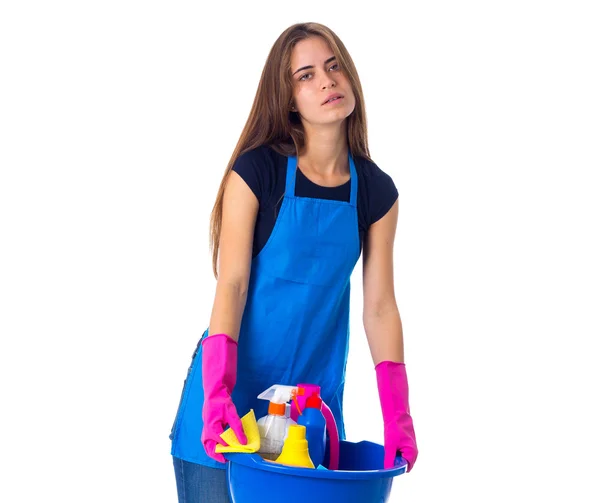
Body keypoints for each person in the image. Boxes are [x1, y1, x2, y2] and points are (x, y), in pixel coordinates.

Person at [168, 21, 418, 503]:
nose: (326, 81)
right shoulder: (256, 172)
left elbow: (380, 308)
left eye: (333, 66)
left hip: (307, 412)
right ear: (288, 100)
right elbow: (233, 285)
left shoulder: (377, 193)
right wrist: (217, 391)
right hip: (229, 398)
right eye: (306, 76)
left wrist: (398, 416)